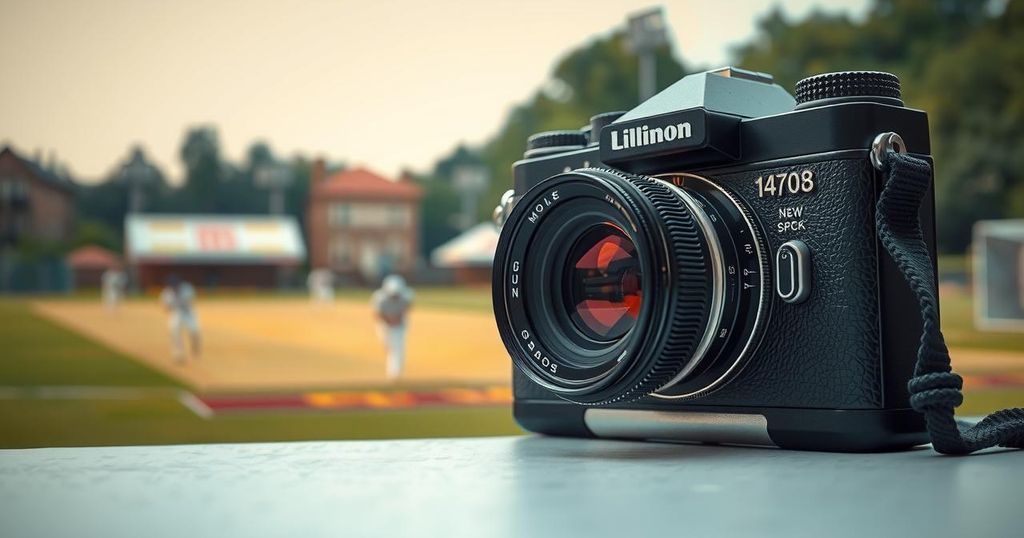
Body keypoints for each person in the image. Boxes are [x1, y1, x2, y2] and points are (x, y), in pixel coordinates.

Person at [371, 274, 414, 381]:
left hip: (399, 325)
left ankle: (394, 374)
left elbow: (408, 307)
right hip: (384, 325)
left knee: (398, 349)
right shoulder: (379, 297)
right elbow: (377, 315)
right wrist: (389, 321)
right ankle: (393, 364)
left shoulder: (407, 295)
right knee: (388, 347)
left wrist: (398, 318)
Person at [160, 275, 201, 364]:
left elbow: (189, 301)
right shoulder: (166, 293)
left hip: (188, 312)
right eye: (172, 285)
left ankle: (195, 345)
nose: (174, 287)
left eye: (176, 284)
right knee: (175, 333)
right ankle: (178, 354)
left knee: (194, 331)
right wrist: (167, 307)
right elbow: (165, 307)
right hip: (176, 313)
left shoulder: (187, 288)